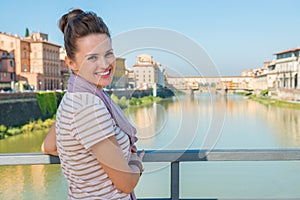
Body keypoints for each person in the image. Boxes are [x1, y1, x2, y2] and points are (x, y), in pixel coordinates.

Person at [41, 8, 144, 200]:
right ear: (71, 63)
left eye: (108, 54)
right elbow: (126, 183)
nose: (105, 64)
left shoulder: (73, 98)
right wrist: (136, 162)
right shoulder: (89, 108)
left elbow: (48, 146)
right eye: (92, 57)